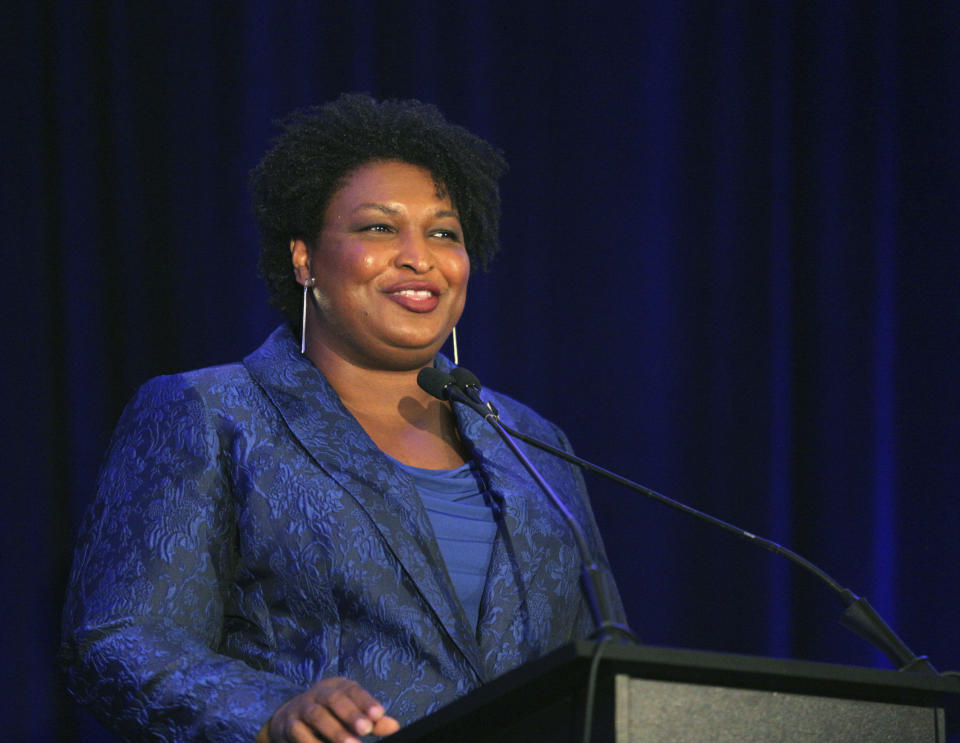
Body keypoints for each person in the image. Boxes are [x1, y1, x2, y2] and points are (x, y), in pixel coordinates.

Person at [61, 93, 625, 743]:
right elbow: (118, 638)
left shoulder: (531, 443)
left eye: (444, 232)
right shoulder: (211, 413)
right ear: (304, 258)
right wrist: (269, 714)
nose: (420, 256)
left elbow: (597, 665)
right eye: (379, 228)